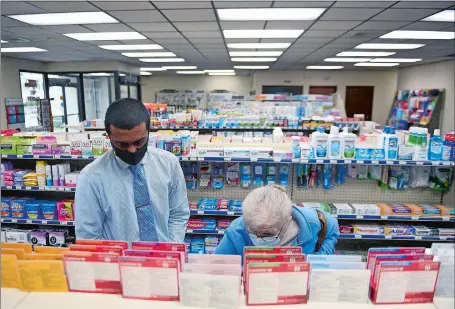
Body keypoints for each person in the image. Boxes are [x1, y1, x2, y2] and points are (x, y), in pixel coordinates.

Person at [75, 98, 189, 242]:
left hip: (165, 259)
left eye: (139, 142)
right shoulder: (92, 177)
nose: (132, 150)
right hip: (117, 262)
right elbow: (89, 237)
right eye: (121, 144)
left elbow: (178, 214)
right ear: (108, 136)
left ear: (149, 131)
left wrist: (170, 250)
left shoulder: (169, 164)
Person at [215, 184, 339, 257]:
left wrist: (320, 258)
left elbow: (332, 227)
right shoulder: (236, 231)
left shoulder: (315, 222)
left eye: (268, 234)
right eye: (251, 231)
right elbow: (216, 270)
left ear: (287, 220)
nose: (258, 239)